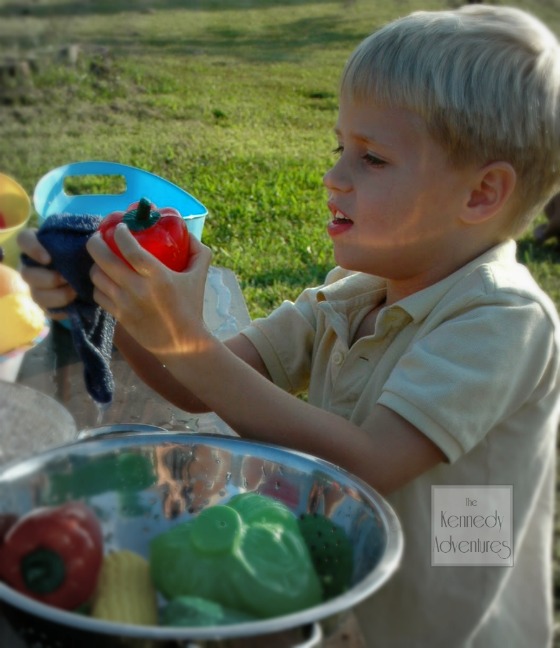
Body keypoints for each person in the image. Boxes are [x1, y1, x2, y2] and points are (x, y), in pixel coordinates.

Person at [18, 4, 560, 647]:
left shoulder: (502, 318)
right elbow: (195, 384)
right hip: (351, 609)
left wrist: (189, 341)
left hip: (454, 626)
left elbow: (371, 464)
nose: (334, 178)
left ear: (481, 194)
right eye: (341, 149)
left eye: (372, 159)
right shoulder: (352, 295)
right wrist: (118, 297)